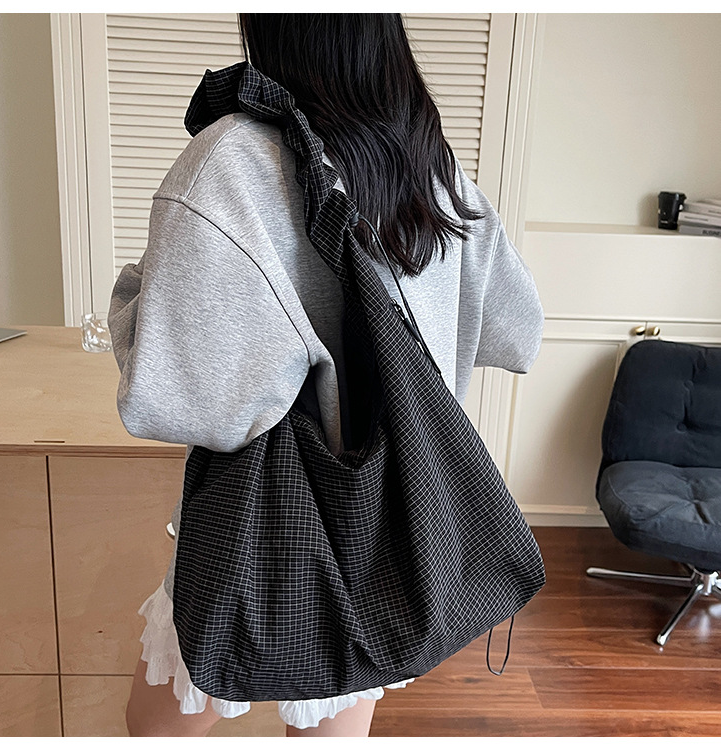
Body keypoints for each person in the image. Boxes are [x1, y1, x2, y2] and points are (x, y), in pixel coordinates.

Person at [107, 13, 544, 738]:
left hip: (256, 536)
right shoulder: (427, 166)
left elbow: (190, 399)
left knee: (152, 730)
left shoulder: (233, 162)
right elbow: (517, 329)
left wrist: (137, 295)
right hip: (389, 540)